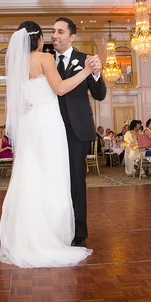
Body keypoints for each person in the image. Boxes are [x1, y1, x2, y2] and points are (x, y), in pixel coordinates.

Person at [0, 21, 98, 268]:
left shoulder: (16, 64)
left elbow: (18, 99)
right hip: (48, 125)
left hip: (30, 126)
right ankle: (52, 234)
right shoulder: (44, 58)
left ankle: (26, 235)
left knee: (31, 176)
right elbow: (61, 88)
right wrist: (85, 72)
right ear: (39, 38)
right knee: (54, 178)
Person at [51, 17, 106, 248]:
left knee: (76, 181)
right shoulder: (46, 60)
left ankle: (78, 231)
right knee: (53, 181)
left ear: (72, 36)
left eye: (60, 32)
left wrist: (95, 73)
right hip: (50, 130)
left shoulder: (86, 59)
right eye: (53, 31)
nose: (55, 35)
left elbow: (100, 94)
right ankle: (55, 227)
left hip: (77, 131)